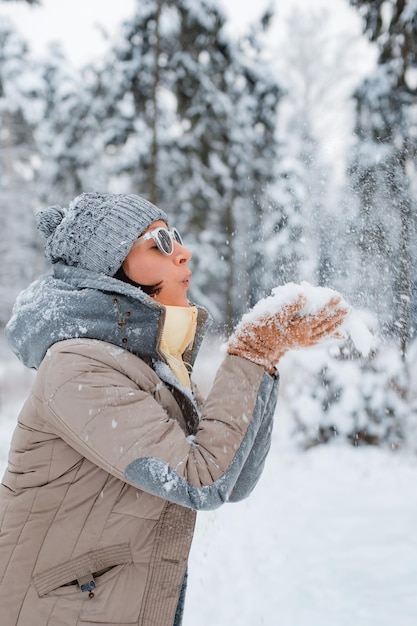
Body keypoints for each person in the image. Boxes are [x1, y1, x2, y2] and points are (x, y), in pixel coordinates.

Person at [0, 192, 347, 626]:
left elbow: (234, 479)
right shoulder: (78, 367)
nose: (183, 252)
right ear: (110, 270)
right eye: (159, 243)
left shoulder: (150, 366)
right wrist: (250, 354)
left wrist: (264, 362)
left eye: (176, 238)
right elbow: (201, 481)